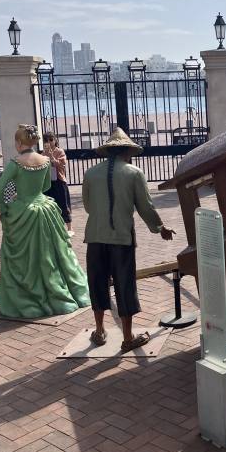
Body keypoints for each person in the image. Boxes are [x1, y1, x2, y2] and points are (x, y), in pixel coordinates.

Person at [83, 128, 176, 352]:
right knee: (125, 285)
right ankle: (127, 337)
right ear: (127, 151)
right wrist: (160, 228)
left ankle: (99, 330)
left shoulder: (90, 173)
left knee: (97, 284)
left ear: (107, 152)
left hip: (95, 236)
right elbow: (145, 206)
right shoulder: (134, 173)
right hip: (122, 239)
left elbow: (87, 206)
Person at [0, 124, 90, 318]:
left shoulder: (15, 162)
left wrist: (4, 209)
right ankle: (61, 291)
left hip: (23, 211)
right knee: (54, 251)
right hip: (45, 207)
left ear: (19, 142)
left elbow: (0, 189)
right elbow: (46, 185)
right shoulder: (45, 160)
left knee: (24, 255)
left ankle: (29, 293)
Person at [42, 131, 73, 236]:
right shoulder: (43, 153)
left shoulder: (60, 151)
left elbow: (62, 165)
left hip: (59, 181)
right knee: (50, 205)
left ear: (55, 140)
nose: (49, 142)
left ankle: (69, 227)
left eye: (51, 139)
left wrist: (51, 157)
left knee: (63, 204)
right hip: (48, 182)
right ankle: (53, 228)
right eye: (46, 140)